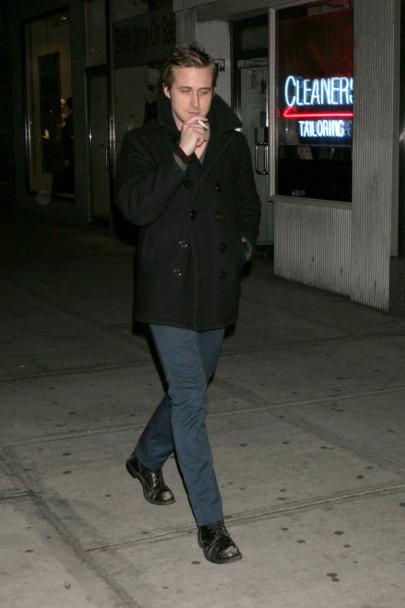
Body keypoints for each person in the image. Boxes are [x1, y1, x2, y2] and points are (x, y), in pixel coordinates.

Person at [118, 43, 261, 564]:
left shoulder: (232, 142)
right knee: (191, 400)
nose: (195, 103)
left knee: (190, 390)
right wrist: (179, 155)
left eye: (204, 90)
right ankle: (212, 525)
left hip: (215, 288)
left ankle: (145, 459)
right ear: (165, 90)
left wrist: (243, 246)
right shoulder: (143, 143)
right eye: (184, 90)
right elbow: (135, 208)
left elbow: (247, 204)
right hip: (167, 290)